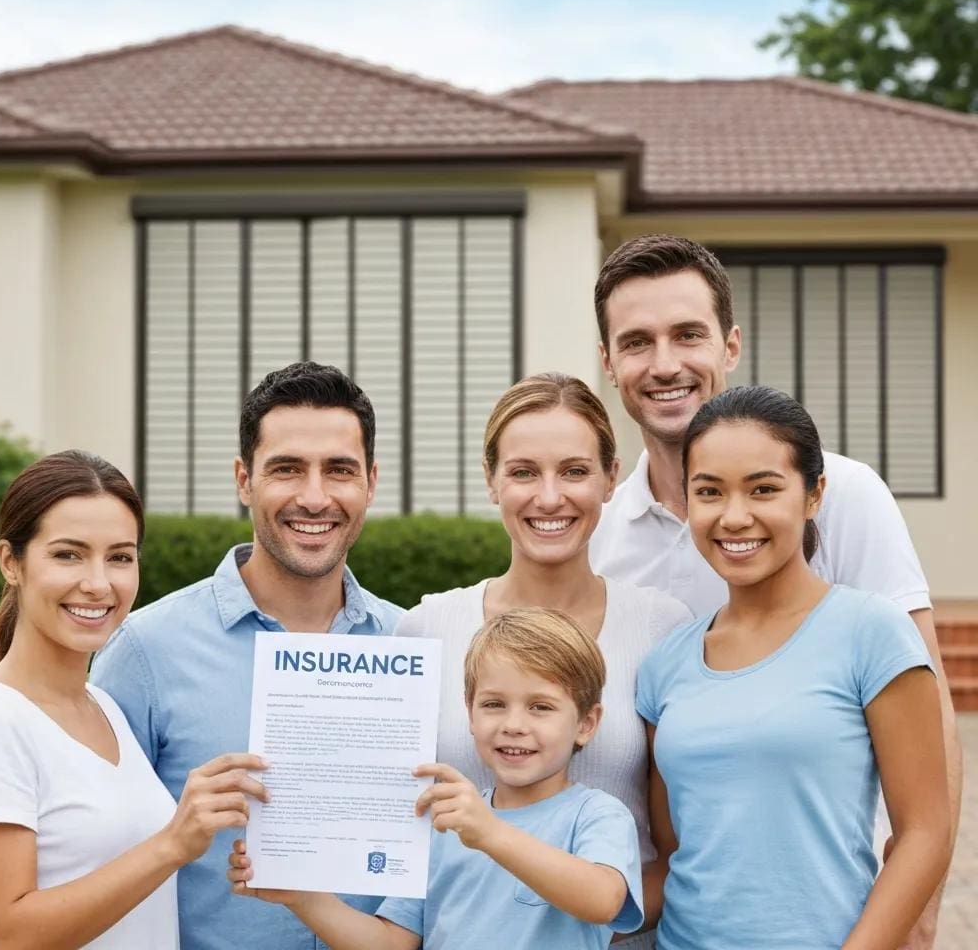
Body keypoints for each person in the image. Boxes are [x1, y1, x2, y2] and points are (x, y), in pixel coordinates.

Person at [587, 234, 960, 947]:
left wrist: (914, 921)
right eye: (637, 342)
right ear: (608, 362)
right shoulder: (600, 542)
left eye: (687, 334)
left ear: (730, 344)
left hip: (844, 913)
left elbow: (930, 728)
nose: (664, 364)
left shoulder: (847, 494)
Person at [0, 363, 403, 950]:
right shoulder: (142, 652)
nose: (314, 496)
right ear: (244, 480)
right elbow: (64, 833)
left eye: (339, 470)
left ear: (370, 481)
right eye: (287, 468)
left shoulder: (411, 643)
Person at [636, 386, 951, 949]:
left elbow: (924, 833)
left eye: (764, 489)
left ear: (813, 495)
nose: (735, 517)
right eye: (709, 492)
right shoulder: (665, 663)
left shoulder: (873, 633)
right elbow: (677, 855)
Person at [395, 372, 691, 948]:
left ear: (610, 478)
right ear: (491, 481)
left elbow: (678, 854)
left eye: (575, 471)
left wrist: (568, 923)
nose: (549, 497)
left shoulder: (662, 628)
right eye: (523, 472)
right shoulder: (425, 629)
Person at [0, 451, 267, 950]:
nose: (98, 584)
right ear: (10, 562)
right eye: (68, 554)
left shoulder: (106, 707)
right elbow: (12, 935)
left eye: (119, 557)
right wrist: (171, 846)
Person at [227, 607, 644, 950]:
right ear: (469, 713)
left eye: (540, 707)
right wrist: (303, 896)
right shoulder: (446, 826)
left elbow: (603, 901)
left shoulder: (596, 814)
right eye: (494, 704)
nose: (514, 725)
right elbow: (392, 943)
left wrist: (490, 833)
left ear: (587, 724)